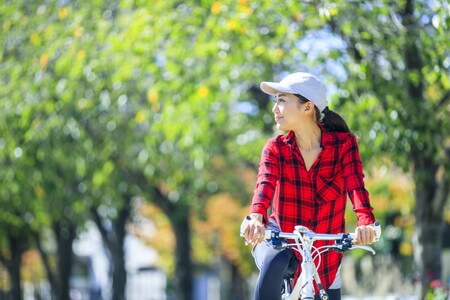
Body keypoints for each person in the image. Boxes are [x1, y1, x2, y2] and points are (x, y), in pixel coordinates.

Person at [241, 72, 378, 300]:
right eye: (275, 101)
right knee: (277, 259)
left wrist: (366, 222)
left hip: (325, 249)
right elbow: (264, 186)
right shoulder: (276, 148)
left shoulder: (344, 146)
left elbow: (356, 187)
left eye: (282, 101)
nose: (275, 109)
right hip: (281, 235)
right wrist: (256, 218)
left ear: (307, 108)